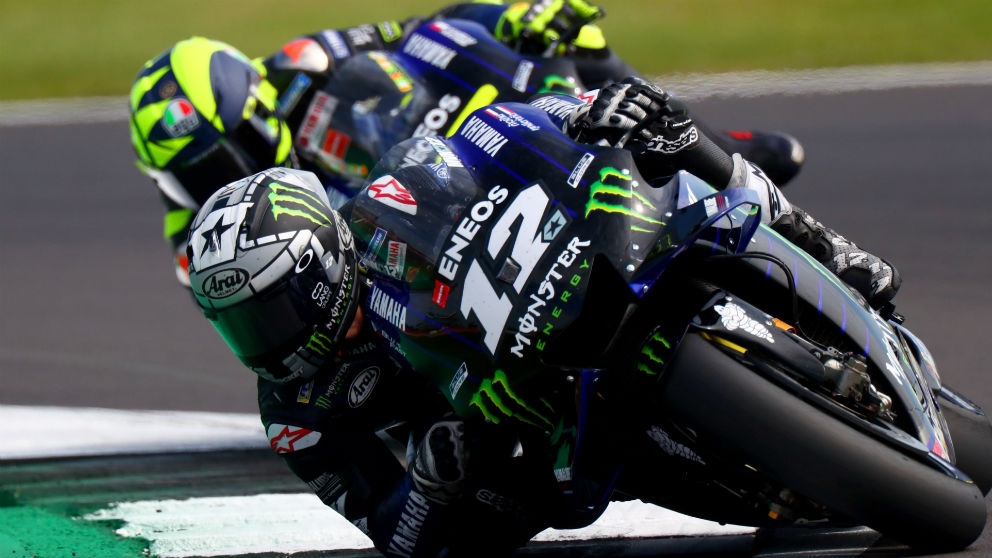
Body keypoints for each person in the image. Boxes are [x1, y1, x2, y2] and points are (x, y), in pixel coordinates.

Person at [183, 79, 897, 557]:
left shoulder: (388, 207)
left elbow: (493, 137)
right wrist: (431, 484)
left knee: (667, 136)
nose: (263, 342)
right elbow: (391, 534)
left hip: (540, 301)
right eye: (239, 324)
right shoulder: (294, 409)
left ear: (322, 266)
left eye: (271, 310)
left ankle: (823, 242)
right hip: (498, 451)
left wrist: (585, 113)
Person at [129, 0, 804, 286]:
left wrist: (511, 18)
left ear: (252, 105)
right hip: (409, 262)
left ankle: (705, 144)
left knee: (578, 40)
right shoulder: (199, 239)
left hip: (454, 150)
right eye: (199, 170)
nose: (225, 171)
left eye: (222, 149)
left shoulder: (300, 63)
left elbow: (424, 29)